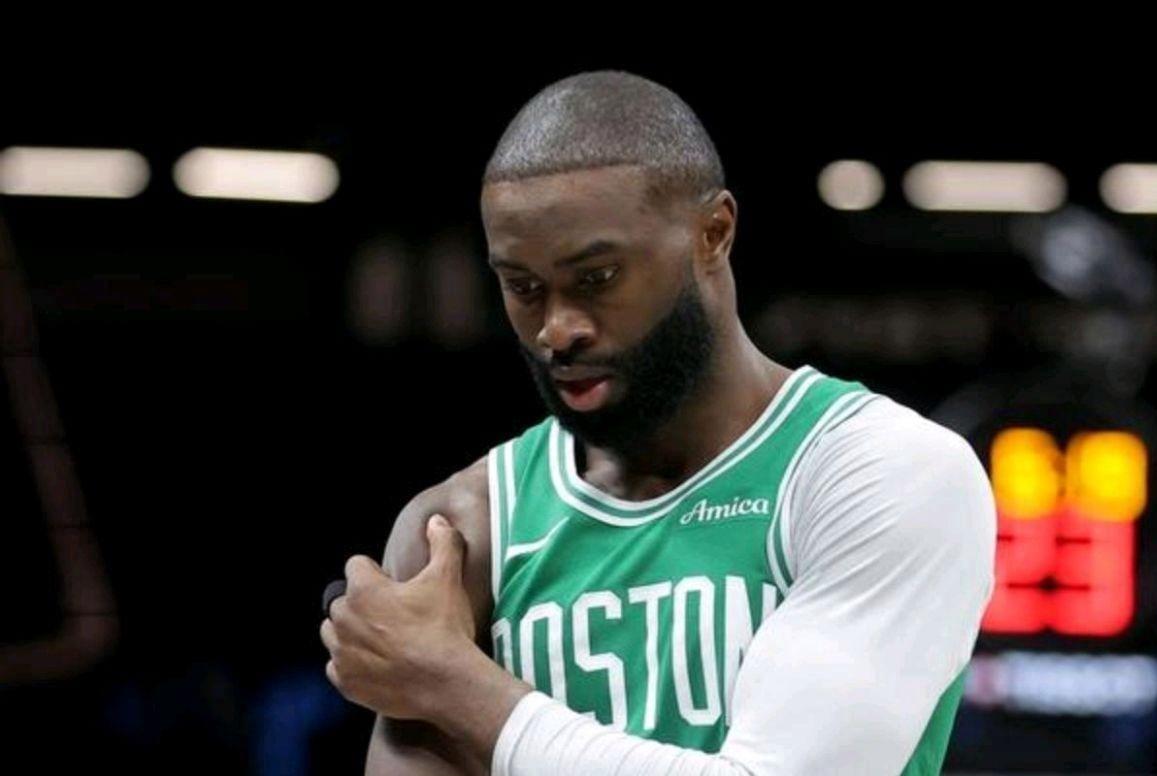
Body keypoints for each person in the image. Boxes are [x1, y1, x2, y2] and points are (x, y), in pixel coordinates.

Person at [320, 69, 997, 775]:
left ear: (714, 234)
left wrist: (455, 683)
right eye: (523, 287)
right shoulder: (464, 527)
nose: (557, 329)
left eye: (597, 278)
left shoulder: (880, 471)